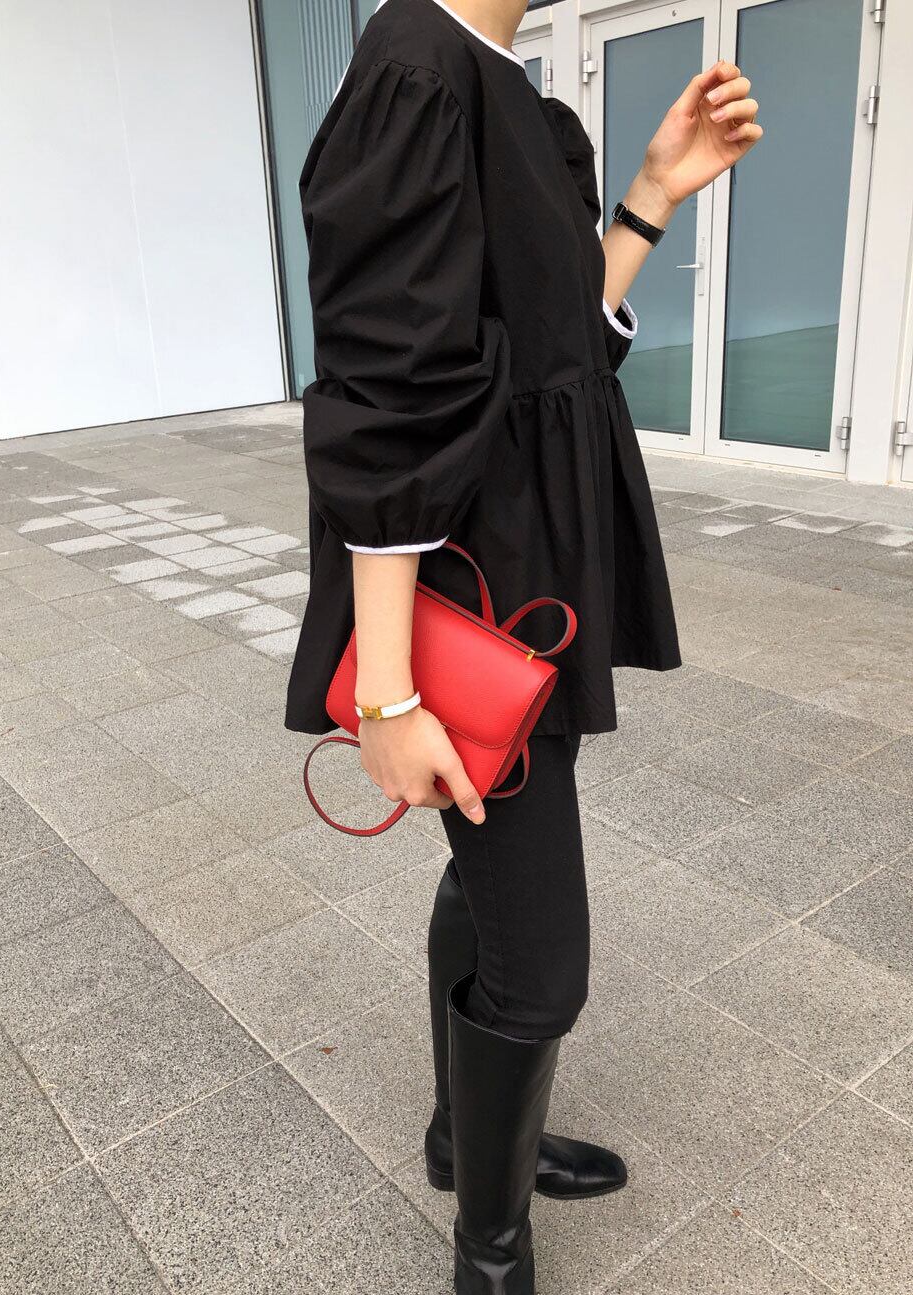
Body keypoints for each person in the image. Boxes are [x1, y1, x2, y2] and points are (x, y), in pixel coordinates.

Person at [285, 0, 762, 1289]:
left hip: (538, 566)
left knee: (488, 859)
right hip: (477, 588)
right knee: (543, 969)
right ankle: (488, 1254)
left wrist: (652, 195)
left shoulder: (509, 90)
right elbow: (388, 396)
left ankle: (465, 1138)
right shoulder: (419, 73)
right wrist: (388, 698)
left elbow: (553, 342)